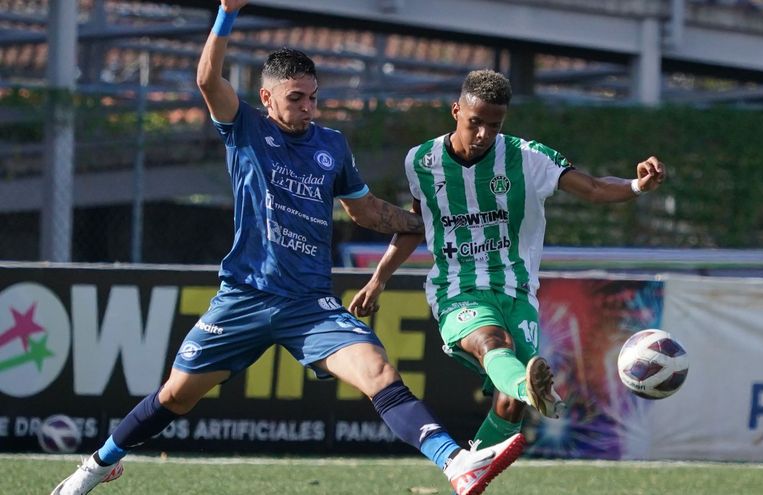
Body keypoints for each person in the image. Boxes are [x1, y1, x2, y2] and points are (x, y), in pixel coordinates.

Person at [51, 4, 524, 495]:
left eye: (313, 98)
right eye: (296, 98)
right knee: (176, 396)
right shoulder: (245, 128)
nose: (307, 108)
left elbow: (365, 212)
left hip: (309, 305)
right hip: (244, 298)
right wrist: (226, 13)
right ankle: (97, 465)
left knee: (378, 371)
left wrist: (428, 223)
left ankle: (455, 463)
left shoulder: (332, 145)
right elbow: (207, 80)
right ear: (267, 97)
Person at [349, 69, 665, 448]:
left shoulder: (528, 158)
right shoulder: (421, 161)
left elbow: (594, 188)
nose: (483, 134)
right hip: (458, 288)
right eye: (475, 122)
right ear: (456, 111)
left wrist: (637, 185)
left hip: (517, 290)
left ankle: (470, 469)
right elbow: (418, 224)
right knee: (493, 342)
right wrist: (378, 279)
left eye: (494, 126)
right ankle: (529, 388)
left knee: (510, 405)